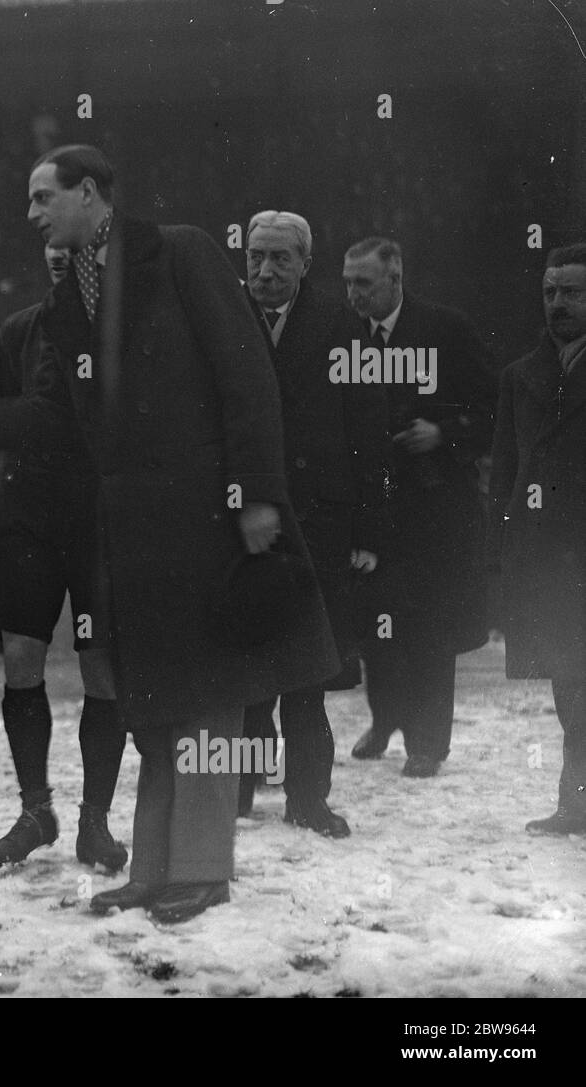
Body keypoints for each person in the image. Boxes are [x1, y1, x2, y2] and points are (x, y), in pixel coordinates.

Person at [0, 145, 339, 923]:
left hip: (211, 514)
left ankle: (200, 867)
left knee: (209, 695)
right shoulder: (71, 290)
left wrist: (259, 497)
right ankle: (154, 867)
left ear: (90, 193)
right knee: (157, 703)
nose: (31, 214)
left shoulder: (181, 252)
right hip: (130, 534)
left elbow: (247, 375)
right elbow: (60, 414)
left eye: (42, 197)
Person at [237, 211, 391, 838]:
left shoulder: (341, 326)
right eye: (256, 256)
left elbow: (369, 431)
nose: (265, 270)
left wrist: (368, 531)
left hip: (320, 521)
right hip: (242, 516)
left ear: (305, 264)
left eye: (280, 258)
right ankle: (238, 789)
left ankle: (309, 798)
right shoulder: (224, 320)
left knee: (307, 669)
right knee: (246, 665)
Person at [0, 244, 128, 870]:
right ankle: (36, 809)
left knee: (102, 669)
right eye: (53, 253)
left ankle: (95, 821)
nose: (62, 260)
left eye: (77, 253)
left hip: (99, 519)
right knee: (21, 658)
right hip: (29, 515)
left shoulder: (123, 332)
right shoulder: (18, 330)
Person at [343, 237, 495, 777]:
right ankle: (386, 720)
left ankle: (428, 743)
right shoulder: (343, 336)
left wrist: (443, 432)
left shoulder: (446, 329)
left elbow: (490, 411)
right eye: (348, 283)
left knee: (429, 628)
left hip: (435, 510)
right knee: (377, 624)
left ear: (395, 279)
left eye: (363, 283)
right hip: (374, 504)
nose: (353, 294)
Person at [490, 244, 586, 834]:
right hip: (547, 559)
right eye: (551, 293)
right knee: (567, 682)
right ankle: (574, 804)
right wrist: (501, 550)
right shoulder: (521, 376)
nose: (559, 304)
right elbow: (505, 472)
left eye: (573, 292)